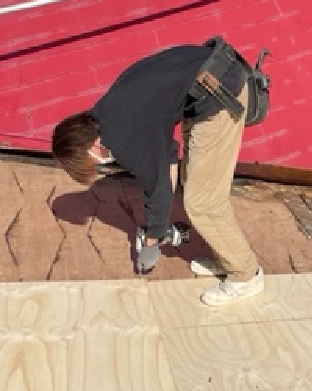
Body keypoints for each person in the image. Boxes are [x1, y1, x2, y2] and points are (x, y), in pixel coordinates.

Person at [51, 37, 263, 307]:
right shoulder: (108, 112)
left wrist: (152, 240)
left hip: (219, 92)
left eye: (88, 161)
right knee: (194, 184)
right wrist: (157, 225)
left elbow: (158, 187)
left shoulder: (122, 139)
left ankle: (245, 275)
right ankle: (230, 255)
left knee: (203, 201)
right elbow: (168, 157)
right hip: (208, 82)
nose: (97, 164)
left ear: (91, 146)